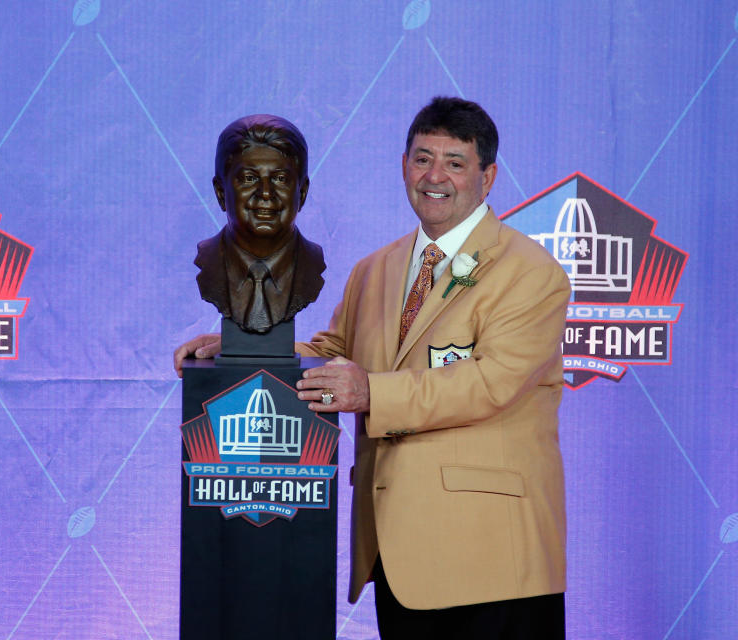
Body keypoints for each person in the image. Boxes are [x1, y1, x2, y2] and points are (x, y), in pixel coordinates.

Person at [175, 96, 570, 639]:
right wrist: (238, 350)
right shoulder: (377, 268)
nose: (435, 176)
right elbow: (334, 350)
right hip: (398, 556)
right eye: (422, 158)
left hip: (492, 562)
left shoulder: (530, 271)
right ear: (404, 165)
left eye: (455, 162)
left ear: (489, 176)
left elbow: (491, 383)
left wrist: (372, 394)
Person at [195, 114, 325, 334]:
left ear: (302, 193)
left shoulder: (311, 263)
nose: (266, 193)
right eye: (249, 178)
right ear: (220, 193)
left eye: (280, 179)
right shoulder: (209, 260)